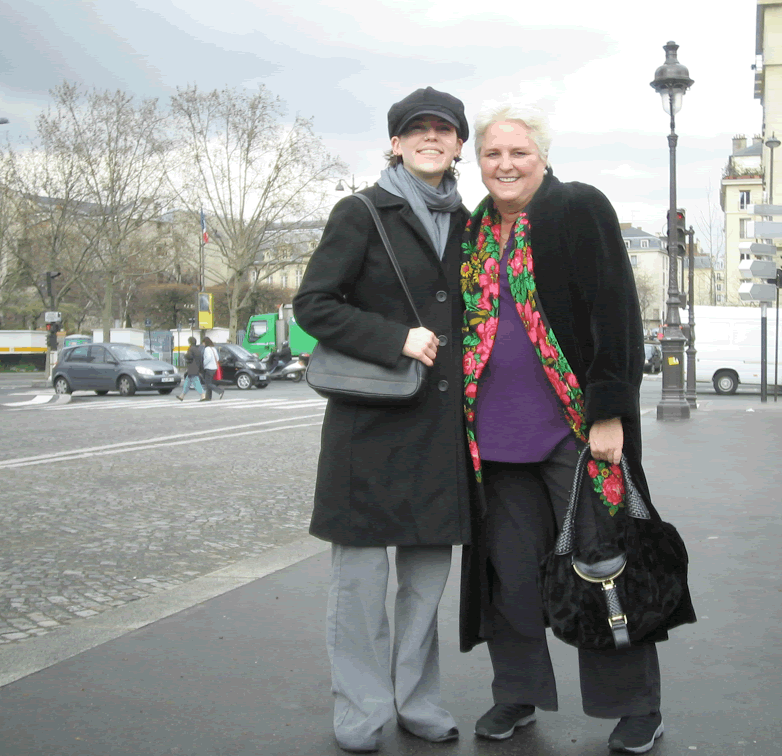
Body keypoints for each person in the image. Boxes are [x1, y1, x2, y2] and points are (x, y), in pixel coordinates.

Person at [458, 100, 696, 754]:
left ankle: (636, 708)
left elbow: (615, 312)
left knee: (604, 566)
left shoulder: (576, 207)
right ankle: (517, 693)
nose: (505, 165)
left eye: (518, 153)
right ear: (478, 162)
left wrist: (610, 414)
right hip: (496, 441)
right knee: (507, 574)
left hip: (575, 432)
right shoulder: (473, 230)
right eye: (492, 154)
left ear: (542, 158)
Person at [292, 87, 473, 753]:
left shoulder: (471, 221)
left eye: (444, 130)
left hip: (439, 431)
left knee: (425, 588)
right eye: (416, 130)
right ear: (395, 143)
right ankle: (362, 709)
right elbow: (313, 304)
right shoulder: (361, 211)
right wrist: (394, 336)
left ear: (458, 144)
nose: (431, 137)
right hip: (368, 429)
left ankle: (418, 701)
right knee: (361, 588)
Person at [176, 336, 205, 401]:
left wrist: (185, 355)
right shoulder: (197, 349)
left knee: (196, 382)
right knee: (187, 383)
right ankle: (182, 396)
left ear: (190, 342)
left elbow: (189, 357)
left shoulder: (191, 349)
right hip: (196, 368)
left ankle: (203, 395)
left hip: (192, 368)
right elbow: (200, 359)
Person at [199, 336, 224, 401]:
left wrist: (204, 364)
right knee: (209, 382)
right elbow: (217, 358)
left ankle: (219, 391)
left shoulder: (207, 349)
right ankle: (208, 397)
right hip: (214, 368)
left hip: (209, 368)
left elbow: (208, 358)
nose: (203, 344)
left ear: (205, 342)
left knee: (207, 383)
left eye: (203, 343)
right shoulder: (213, 348)